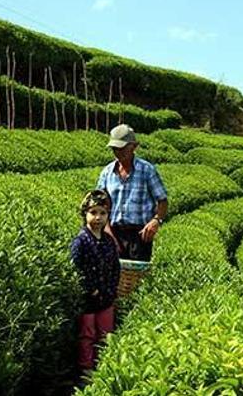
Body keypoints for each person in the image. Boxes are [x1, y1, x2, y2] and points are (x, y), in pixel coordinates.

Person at [96, 124, 168, 262]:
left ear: (134, 146)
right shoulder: (107, 172)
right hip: (113, 232)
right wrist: (107, 231)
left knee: (136, 279)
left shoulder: (147, 170)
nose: (118, 152)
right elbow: (100, 205)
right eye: (115, 149)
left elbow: (162, 200)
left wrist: (156, 220)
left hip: (140, 235)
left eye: (122, 148)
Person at [70, 189, 120, 376]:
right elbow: (76, 269)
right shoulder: (80, 241)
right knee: (87, 334)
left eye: (102, 213)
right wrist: (91, 290)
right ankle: (86, 370)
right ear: (85, 214)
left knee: (105, 335)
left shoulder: (109, 241)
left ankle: (103, 368)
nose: (98, 217)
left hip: (107, 298)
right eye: (93, 212)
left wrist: (112, 288)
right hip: (88, 301)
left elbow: (115, 267)